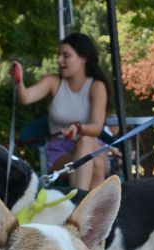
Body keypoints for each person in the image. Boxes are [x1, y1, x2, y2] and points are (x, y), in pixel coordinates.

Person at [13, 33, 110, 191]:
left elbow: (97, 128)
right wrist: (18, 82)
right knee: (96, 166)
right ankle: (86, 211)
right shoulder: (53, 82)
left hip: (93, 147)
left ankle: (77, 206)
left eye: (66, 55)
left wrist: (78, 128)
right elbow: (25, 98)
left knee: (85, 141)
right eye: (59, 55)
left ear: (83, 58)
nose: (59, 60)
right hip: (60, 151)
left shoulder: (97, 86)